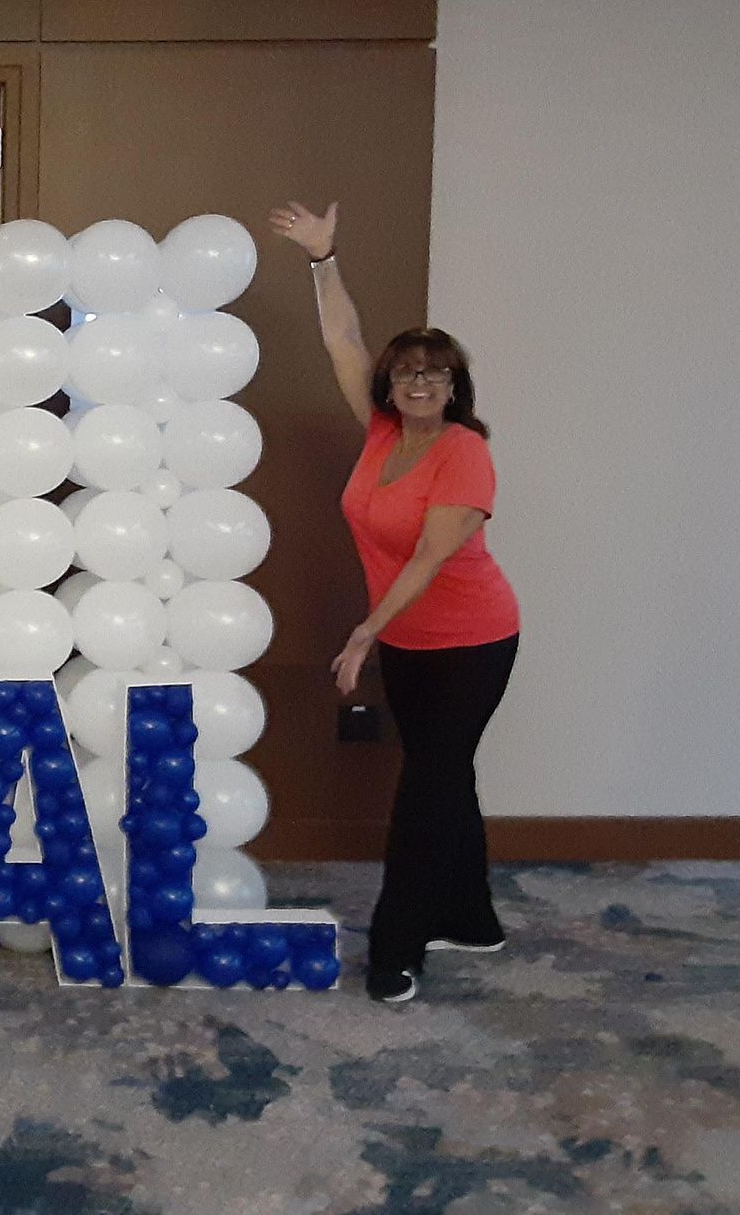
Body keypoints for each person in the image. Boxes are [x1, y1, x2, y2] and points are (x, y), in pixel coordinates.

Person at [270, 199, 520, 1004]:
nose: (420, 382)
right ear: (393, 381)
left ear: (455, 387)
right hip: (410, 644)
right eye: (408, 370)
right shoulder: (381, 435)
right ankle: (473, 918)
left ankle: (397, 946)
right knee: (447, 776)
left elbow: (429, 559)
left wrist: (363, 633)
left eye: (436, 372)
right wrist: (323, 258)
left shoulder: (463, 453)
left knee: (426, 790)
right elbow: (341, 336)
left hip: (472, 640)